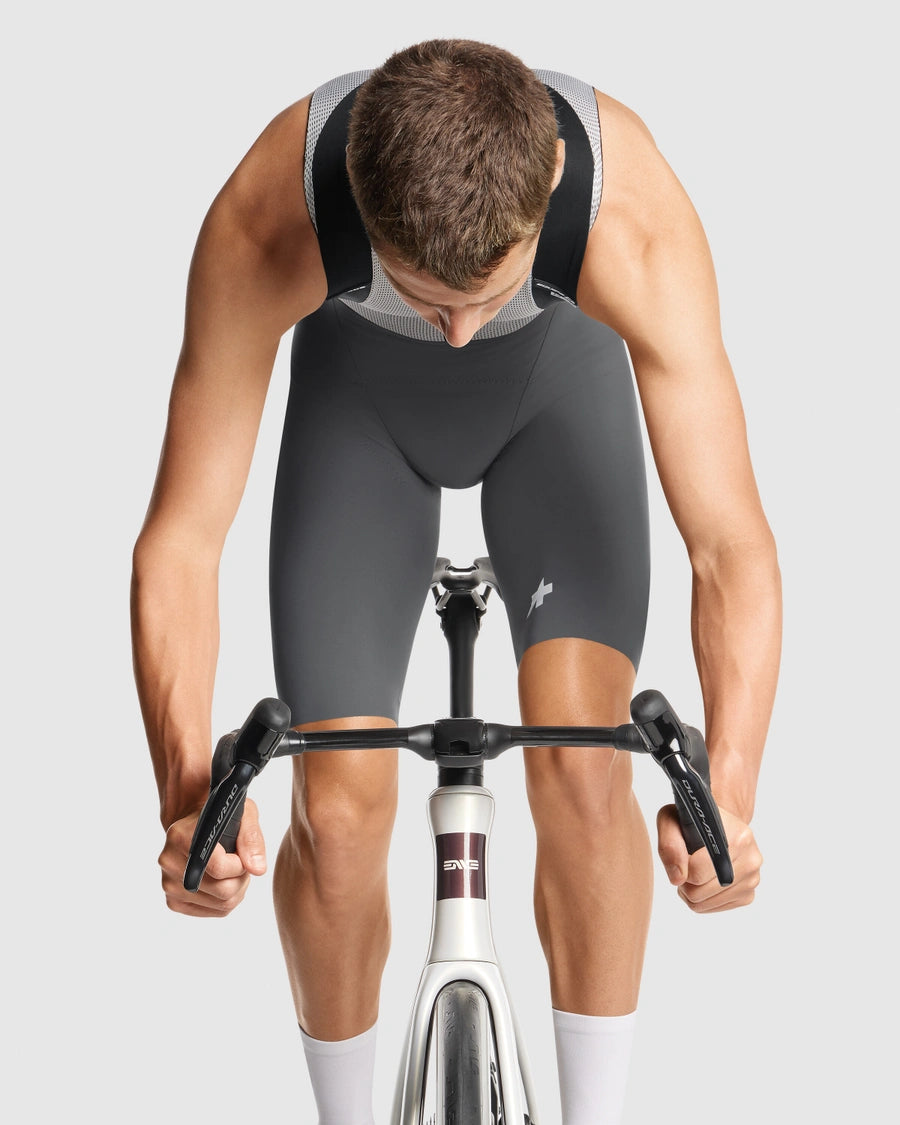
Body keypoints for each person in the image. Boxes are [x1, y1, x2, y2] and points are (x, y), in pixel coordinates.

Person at [131, 39, 781, 1125]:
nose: (463, 331)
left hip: (557, 400)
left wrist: (735, 803)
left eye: (490, 291)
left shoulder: (631, 215)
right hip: (359, 417)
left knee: (584, 774)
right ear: (359, 205)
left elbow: (730, 543)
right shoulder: (270, 216)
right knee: (338, 814)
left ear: (552, 187)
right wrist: (189, 801)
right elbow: (182, 542)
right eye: (427, 300)